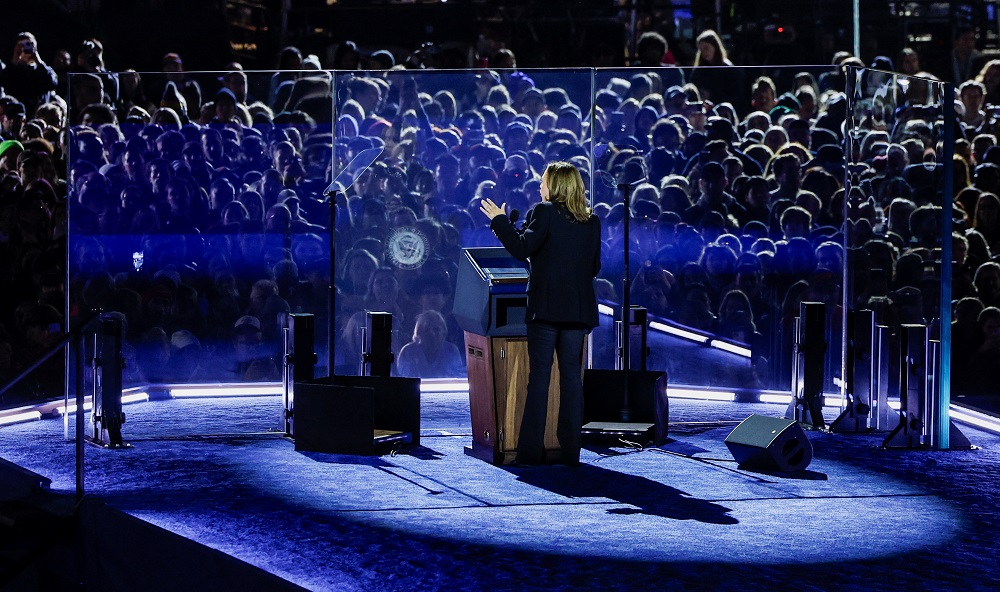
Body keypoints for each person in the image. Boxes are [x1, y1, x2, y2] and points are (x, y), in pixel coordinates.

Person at [479, 161, 601, 465]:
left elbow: (522, 248)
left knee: (540, 380)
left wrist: (499, 221)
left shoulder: (544, 211)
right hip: (578, 310)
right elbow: (595, 267)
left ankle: (530, 453)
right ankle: (571, 451)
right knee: (572, 381)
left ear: (556, 185)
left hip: (546, 310)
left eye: (543, 181)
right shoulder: (591, 220)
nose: (539, 187)